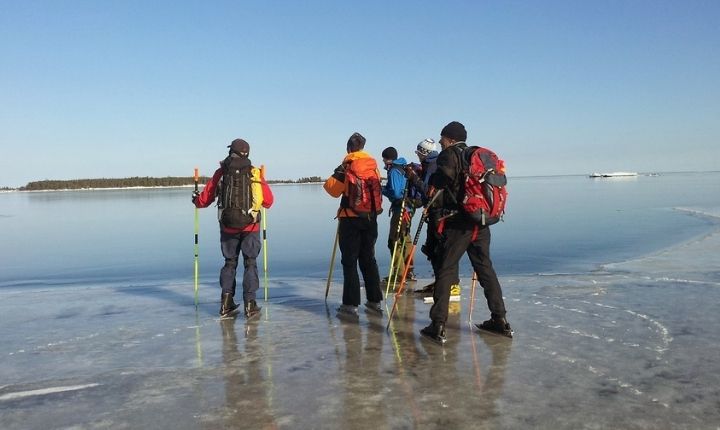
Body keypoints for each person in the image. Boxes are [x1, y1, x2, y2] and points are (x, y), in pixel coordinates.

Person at [420, 121, 512, 344]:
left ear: (450, 139)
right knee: (485, 268)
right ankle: (499, 319)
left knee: (446, 268)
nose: (440, 142)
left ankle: (438, 324)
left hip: (458, 223)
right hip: (480, 221)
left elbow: (440, 188)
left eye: (442, 138)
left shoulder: (449, 155)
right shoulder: (474, 156)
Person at [192, 138, 274, 319]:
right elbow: (268, 201)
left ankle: (226, 303)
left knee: (230, 262)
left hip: (228, 227)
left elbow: (205, 200)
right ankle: (250, 304)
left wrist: (196, 200)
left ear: (231, 152)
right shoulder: (255, 173)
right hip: (250, 225)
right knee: (250, 262)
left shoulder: (222, 172)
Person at [323, 132, 384, 317]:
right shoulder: (373, 166)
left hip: (350, 219)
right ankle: (374, 301)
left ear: (348, 148)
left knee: (349, 261)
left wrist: (339, 170)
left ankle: (350, 304)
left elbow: (331, 189)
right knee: (368, 259)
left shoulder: (347, 165)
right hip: (371, 219)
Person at [380, 146, 415, 285]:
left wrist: (382, 189)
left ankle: (399, 275)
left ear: (387, 158)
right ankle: (409, 271)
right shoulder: (403, 167)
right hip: (409, 207)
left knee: (394, 241)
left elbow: (395, 192)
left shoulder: (394, 170)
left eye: (383, 159)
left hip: (400, 208)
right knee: (405, 238)